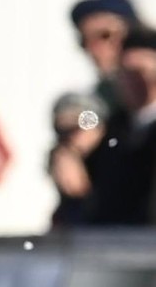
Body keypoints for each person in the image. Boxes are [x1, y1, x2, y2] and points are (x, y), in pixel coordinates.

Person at [52, 23, 156, 226]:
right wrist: (68, 151)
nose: (137, 81)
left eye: (143, 71)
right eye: (127, 72)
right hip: (109, 243)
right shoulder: (111, 126)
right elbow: (75, 118)